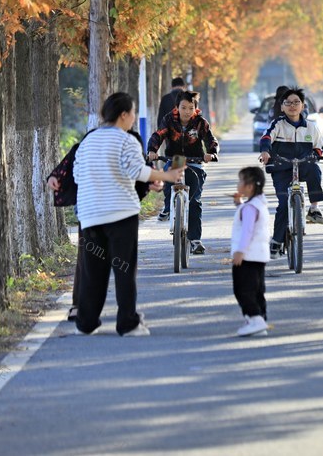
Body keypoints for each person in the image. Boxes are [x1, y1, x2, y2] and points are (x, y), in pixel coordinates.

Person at [72, 92, 185, 336]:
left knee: (93, 272)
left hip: (90, 215)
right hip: (120, 214)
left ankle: (86, 323)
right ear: (123, 115)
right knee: (123, 269)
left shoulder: (87, 140)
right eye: (133, 113)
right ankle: (128, 323)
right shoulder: (125, 140)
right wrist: (166, 176)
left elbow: (77, 175)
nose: (134, 118)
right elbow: (137, 170)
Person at [47, 127, 150, 323]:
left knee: (122, 264)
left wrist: (153, 182)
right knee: (87, 260)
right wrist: (55, 176)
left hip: (118, 212)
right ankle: (80, 307)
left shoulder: (131, 140)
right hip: (91, 210)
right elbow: (69, 162)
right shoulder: (91, 139)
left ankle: (125, 314)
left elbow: (143, 169)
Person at [147, 90, 219, 254]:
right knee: (168, 181)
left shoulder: (200, 122)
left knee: (195, 201)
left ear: (195, 108)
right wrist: (152, 150)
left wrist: (212, 153)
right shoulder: (169, 120)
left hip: (195, 161)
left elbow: (211, 140)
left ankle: (195, 240)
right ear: (177, 107)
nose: (187, 111)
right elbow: (158, 136)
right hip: (176, 159)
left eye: (190, 108)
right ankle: (167, 207)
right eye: (183, 107)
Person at [259, 87, 323, 258]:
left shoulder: (311, 127)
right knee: (283, 204)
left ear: (303, 106)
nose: (292, 106)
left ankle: (314, 208)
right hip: (282, 168)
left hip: (303, 165)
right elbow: (266, 138)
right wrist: (266, 152)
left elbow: (319, 146)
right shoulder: (278, 124)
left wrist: (315, 155)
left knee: (314, 169)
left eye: (296, 102)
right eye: (288, 103)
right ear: (282, 107)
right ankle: (277, 241)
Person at [231, 166, 271, 337]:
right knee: (257, 289)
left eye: (240, 181)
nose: (237, 184)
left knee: (243, 289)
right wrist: (239, 204)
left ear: (249, 187)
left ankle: (255, 318)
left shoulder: (249, 208)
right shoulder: (258, 203)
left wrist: (240, 251)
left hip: (247, 256)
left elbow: (247, 230)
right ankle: (259, 318)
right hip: (259, 256)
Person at [156, 76, 187, 221]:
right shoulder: (190, 98)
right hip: (190, 145)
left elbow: (159, 123)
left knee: (170, 172)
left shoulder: (166, 99)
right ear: (183, 86)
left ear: (172, 86)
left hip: (171, 145)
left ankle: (168, 207)